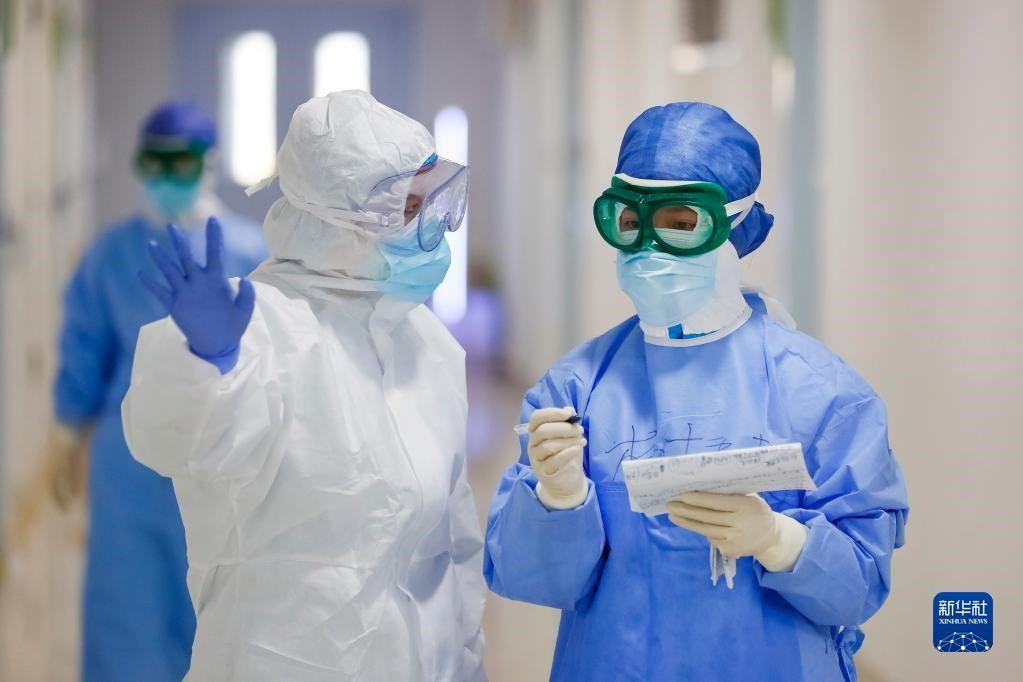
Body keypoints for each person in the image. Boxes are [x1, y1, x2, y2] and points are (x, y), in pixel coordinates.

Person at [484, 102, 908, 681]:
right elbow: (530, 579)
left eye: (682, 222)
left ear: (739, 228)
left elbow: (860, 587)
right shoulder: (575, 389)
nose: (649, 247)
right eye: (630, 221)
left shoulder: (823, 395)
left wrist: (781, 542)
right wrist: (558, 502)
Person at [122, 90, 486, 681]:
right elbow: (173, 441)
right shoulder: (260, 333)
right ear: (337, 224)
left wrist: (468, 661)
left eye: (433, 202)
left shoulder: (429, 345)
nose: (432, 227)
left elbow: (453, 542)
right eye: (409, 208)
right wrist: (207, 362)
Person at [52, 101, 266, 681]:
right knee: (130, 609)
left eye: (182, 163)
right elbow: (84, 352)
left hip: (228, 454)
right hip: (129, 469)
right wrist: (66, 439)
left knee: (224, 607)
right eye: (155, 163)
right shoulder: (110, 255)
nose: (167, 177)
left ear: (210, 163)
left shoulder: (252, 253)